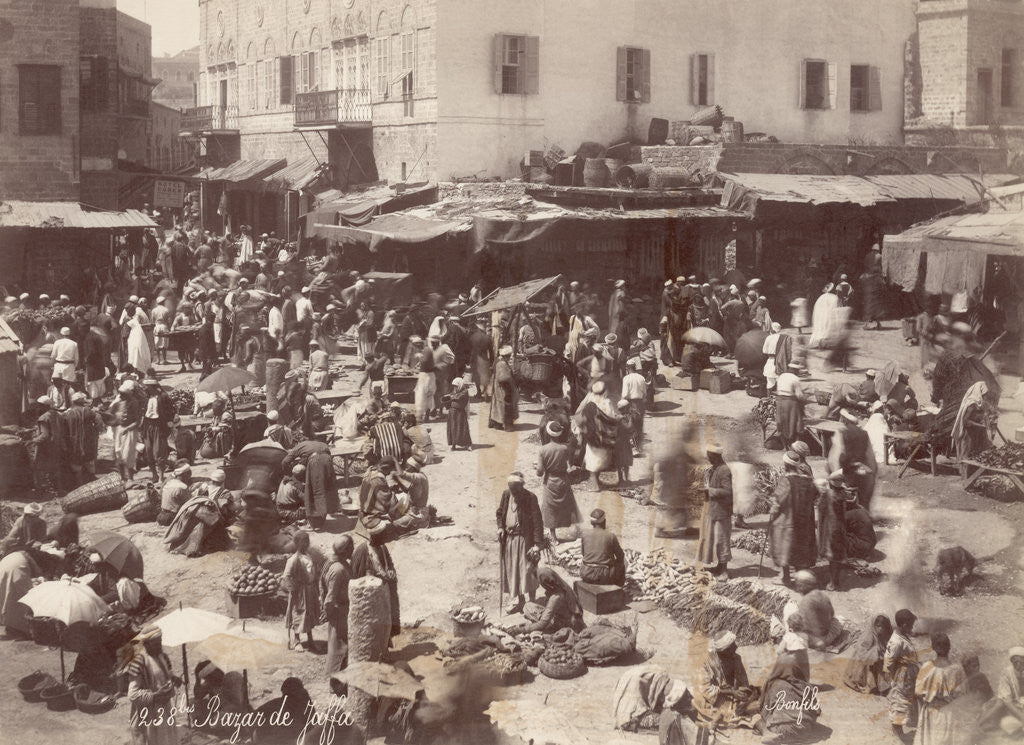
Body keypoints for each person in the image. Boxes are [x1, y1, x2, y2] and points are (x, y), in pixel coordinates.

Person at [758, 630, 820, 743]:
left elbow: (765, 711)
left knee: (760, 722)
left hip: (783, 728)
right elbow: (816, 711)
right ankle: (796, 737)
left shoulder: (774, 685)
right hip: (805, 729)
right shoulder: (805, 685)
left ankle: (774, 735)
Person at [496, 472, 544, 615]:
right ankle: (521, 601)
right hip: (510, 541)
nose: (513, 492)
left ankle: (533, 602)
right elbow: (499, 513)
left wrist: (537, 545)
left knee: (528, 571)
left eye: (515, 489)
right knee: (514, 571)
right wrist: (500, 527)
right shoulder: (506, 495)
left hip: (525, 541)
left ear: (521, 486)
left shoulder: (530, 498)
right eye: (511, 488)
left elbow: (537, 522)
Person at [768, 451, 818, 586]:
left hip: (788, 521)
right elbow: (815, 495)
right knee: (800, 550)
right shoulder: (807, 481)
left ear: (785, 465)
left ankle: (785, 578)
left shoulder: (786, 481)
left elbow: (779, 501)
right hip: (804, 522)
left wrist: (772, 510)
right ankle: (801, 579)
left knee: (785, 547)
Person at [126, 626, 182, 745]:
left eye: (160, 641)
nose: (160, 646)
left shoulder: (163, 656)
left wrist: (175, 679)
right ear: (146, 644)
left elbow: (168, 674)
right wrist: (155, 695)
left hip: (164, 709)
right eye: (156, 643)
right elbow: (132, 694)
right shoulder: (138, 661)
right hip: (147, 714)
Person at [694, 630, 758, 729]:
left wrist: (743, 693)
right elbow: (706, 690)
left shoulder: (736, 659)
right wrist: (730, 691)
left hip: (733, 699)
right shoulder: (704, 661)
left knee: (756, 701)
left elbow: (744, 683)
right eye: (732, 646)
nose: (736, 647)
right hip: (713, 700)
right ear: (724, 651)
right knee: (703, 707)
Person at [914, 632, 966, 745]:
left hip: (929, 712)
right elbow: (961, 695)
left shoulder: (926, 667)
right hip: (948, 713)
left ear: (932, 647)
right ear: (949, 646)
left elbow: (918, 693)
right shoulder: (957, 669)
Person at [351, 523, 401, 639]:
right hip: (370, 598)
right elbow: (356, 577)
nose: (384, 539)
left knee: (384, 625)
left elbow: (389, 563)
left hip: (383, 594)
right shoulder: (362, 551)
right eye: (382, 537)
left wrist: (391, 571)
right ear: (374, 537)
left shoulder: (382, 548)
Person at [536, 420, 579, 543]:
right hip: (563, 479)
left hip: (550, 481)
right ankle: (574, 531)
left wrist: (538, 470)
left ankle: (554, 536)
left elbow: (540, 472)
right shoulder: (564, 448)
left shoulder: (543, 450)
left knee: (550, 508)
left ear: (548, 434)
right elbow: (568, 466)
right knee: (568, 504)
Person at [828, 409, 877, 511]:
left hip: (848, 470)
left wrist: (837, 473)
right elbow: (870, 454)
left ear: (844, 420)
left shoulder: (841, 433)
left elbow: (838, 454)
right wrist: (872, 472)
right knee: (863, 498)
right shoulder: (864, 433)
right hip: (862, 468)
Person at [697, 444, 733, 577]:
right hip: (714, 509)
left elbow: (728, 491)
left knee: (721, 540)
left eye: (709, 456)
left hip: (722, 511)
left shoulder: (724, 470)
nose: (707, 458)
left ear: (714, 456)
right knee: (713, 538)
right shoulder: (715, 468)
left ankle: (724, 571)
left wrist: (709, 490)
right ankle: (719, 566)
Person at [885, 608, 921, 739]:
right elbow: (889, 662)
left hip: (908, 674)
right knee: (900, 701)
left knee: (908, 699)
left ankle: (903, 725)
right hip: (902, 676)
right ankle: (897, 729)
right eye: (910, 625)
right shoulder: (896, 641)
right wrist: (894, 677)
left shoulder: (902, 636)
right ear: (904, 625)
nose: (912, 628)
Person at [320, 536, 353, 676]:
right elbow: (330, 597)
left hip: (341, 611)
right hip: (339, 612)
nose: (353, 549)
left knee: (342, 647)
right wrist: (330, 614)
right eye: (351, 547)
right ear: (345, 551)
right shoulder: (338, 569)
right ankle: (336, 685)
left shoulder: (336, 563)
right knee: (339, 649)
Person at [516, 567, 584, 634]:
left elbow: (542, 624)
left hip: (566, 624)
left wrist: (522, 630)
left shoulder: (555, 597)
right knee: (530, 605)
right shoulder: (561, 586)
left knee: (527, 607)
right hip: (571, 617)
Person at [282, 530, 318, 652]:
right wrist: (293, 590)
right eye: (303, 542)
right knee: (298, 615)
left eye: (307, 541)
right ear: (297, 544)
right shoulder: (293, 560)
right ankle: (296, 640)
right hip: (299, 593)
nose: (306, 544)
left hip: (309, 590)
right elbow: (286, 577)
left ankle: (310, 639)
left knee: (309, 614)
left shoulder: (308, 555)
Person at [787, 571, 842, 650]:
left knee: (790, 608)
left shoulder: (806, 602)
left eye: (798, 584)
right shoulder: (822, 595)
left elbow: (810, 626)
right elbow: (832, 613)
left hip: (819, 640)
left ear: (801, 586)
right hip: (832, 630)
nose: (797, 587)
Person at [978, 646, 1024, 737]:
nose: (1018, 665)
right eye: (1015, 662)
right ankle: (979, 724)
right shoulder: (1007, 673)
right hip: (1008, 703)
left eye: (1021, 662)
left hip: (1019, 702)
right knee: (1000, 705)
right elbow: (1008, 702)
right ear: (1012, 662)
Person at [817, 470, 851, 590]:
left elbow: (821, 508)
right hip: (841, 527)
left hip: (831, 528)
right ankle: (836, 581)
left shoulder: (828, 494)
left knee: (832, 557)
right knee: (838, 555)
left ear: (831, 483)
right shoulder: (842, 493)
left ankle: (832, 583)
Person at [844, 614, 894, 695]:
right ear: (874, 626)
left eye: (882, 627)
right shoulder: (868, 635)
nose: (880, 629)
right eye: (878, 626)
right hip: (864, 663)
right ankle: (868, 686)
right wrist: (876, 653)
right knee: (871, 666)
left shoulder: (886, 634)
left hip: (879, 660)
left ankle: (881, 685)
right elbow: (861, 651)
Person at [63, 392, 105, 486]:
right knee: (89, 459)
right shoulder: (88, 411)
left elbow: (64, 428)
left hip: (73, 441)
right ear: (81, 401)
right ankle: (92, 479)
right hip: (88, 440)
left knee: (76, 460)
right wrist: (96, 431)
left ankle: (79, 483)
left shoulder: (67, 413)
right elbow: (98, 419)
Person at [140, 377, 174, 482]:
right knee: (149, 452)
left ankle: (161, 476)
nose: (144, 388)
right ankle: (154, 474)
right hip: (148, 426)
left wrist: (169, 422)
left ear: (152, 387)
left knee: (158, 452)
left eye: (146, 387)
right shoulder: (146, 397)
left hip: (159, 427)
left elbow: (171, 410)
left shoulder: (163, 397)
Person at [579, 508, 626, 586]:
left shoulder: (584, 534)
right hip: (604, 575)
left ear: (591, 523)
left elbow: (583, 554)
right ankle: (617, 590)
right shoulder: (611, 536)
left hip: (586, 573)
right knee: (621, 565)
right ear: (604, 522)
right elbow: (621, 556)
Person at [30, 396, 63, 497]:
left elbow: (45, 435)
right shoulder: (57, 414)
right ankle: (58, 489)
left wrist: (33, 441)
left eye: (39, 406)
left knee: (38, 467)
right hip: (57, 445)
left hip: (46, 447)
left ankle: (41, 491)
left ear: (43, 406)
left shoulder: (43, 417)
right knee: (55, 468)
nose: (38, 408)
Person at [110, 380, 141, 481]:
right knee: (118, 454)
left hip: (130, 431)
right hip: (119, 430)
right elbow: (111, 414)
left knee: (128, 455)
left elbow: (137, 421)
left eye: (123, 394)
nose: (121, 395)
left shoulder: (134, 403)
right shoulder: (119, 403)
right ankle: (123, 477)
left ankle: (131, 478)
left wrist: (127, 428)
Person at [305, 445, 338, 530]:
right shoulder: (327, 456)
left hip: (313, 467)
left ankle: (315, 522)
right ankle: (321, 518)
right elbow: (331, 476)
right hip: (324, 466)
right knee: (324, 493)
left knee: (312, 493)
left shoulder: (308, 455)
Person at [775, 362, 806, 447]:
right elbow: (799, 395)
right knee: (795, 420)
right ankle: (794, 441)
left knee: (782, 421)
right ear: (796, 370)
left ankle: (785, 444)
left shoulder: (781, 376)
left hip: (780, 400)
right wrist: (804, 400)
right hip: (790, 401)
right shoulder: (795, 378)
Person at [489, 345, 518, 431]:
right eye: (510, 355)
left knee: (497, 406)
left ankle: (497, 423)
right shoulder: (502, 363)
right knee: (505, 406)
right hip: (504, 388)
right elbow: (503, 378)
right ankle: (507, 425)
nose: (510, 357)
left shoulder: (498, 360)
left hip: (499, 387)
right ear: (507, 355)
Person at [50, 326, 79, 407]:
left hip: (58, 365)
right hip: (69, 366)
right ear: (69, 334)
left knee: (58, 387)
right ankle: (68, 404)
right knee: (69, 387)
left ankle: (59, 403)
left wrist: (52, 365)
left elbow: (53, 355)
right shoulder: (74, 343)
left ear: (61, 333)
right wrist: (74, 367)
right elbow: (77, 358)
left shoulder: (57, 342)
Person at [443, 377, 472, 450]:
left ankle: (468, 444)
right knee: (453, 428)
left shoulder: (465, 391)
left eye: (456, 385)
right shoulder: (454, 391)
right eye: (454, 386)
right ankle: (453, 444)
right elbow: (451, 397)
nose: (455, 387)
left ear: (460, 385)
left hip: (460, 412)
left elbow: (458, 397)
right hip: (452, 412)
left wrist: (450, 396)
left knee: (463, 428)